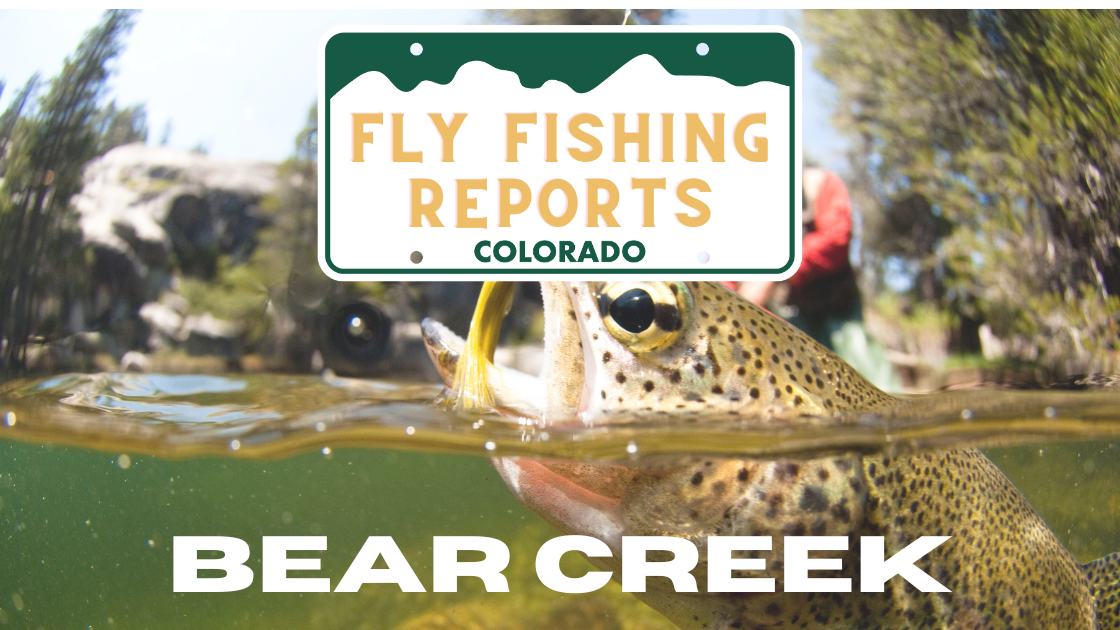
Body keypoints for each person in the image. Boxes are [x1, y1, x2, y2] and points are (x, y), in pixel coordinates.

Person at [723, 167, 901, 392]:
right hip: (793, 317)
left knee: (872, 383)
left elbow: (837, 238)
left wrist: (776, 270)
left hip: (840, 310)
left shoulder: (818, 184)